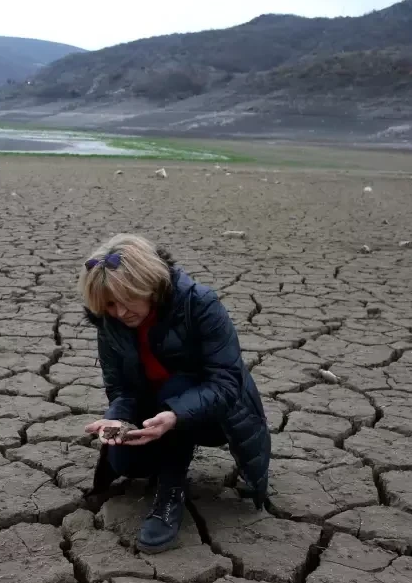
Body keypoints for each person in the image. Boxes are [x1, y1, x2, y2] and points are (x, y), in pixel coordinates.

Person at [79, 233, 270, 553]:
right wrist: (117, 418)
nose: (120, 312)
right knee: (125, 462)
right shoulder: (109, 323)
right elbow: (121, 388)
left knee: (177, 388)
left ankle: (171, 491)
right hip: (155, 408)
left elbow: (226, 383)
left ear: (150, 284)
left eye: (127, 298)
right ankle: (158, 450)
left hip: (214, 414)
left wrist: (175, 414)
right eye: (110, 304)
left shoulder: (200, 304)